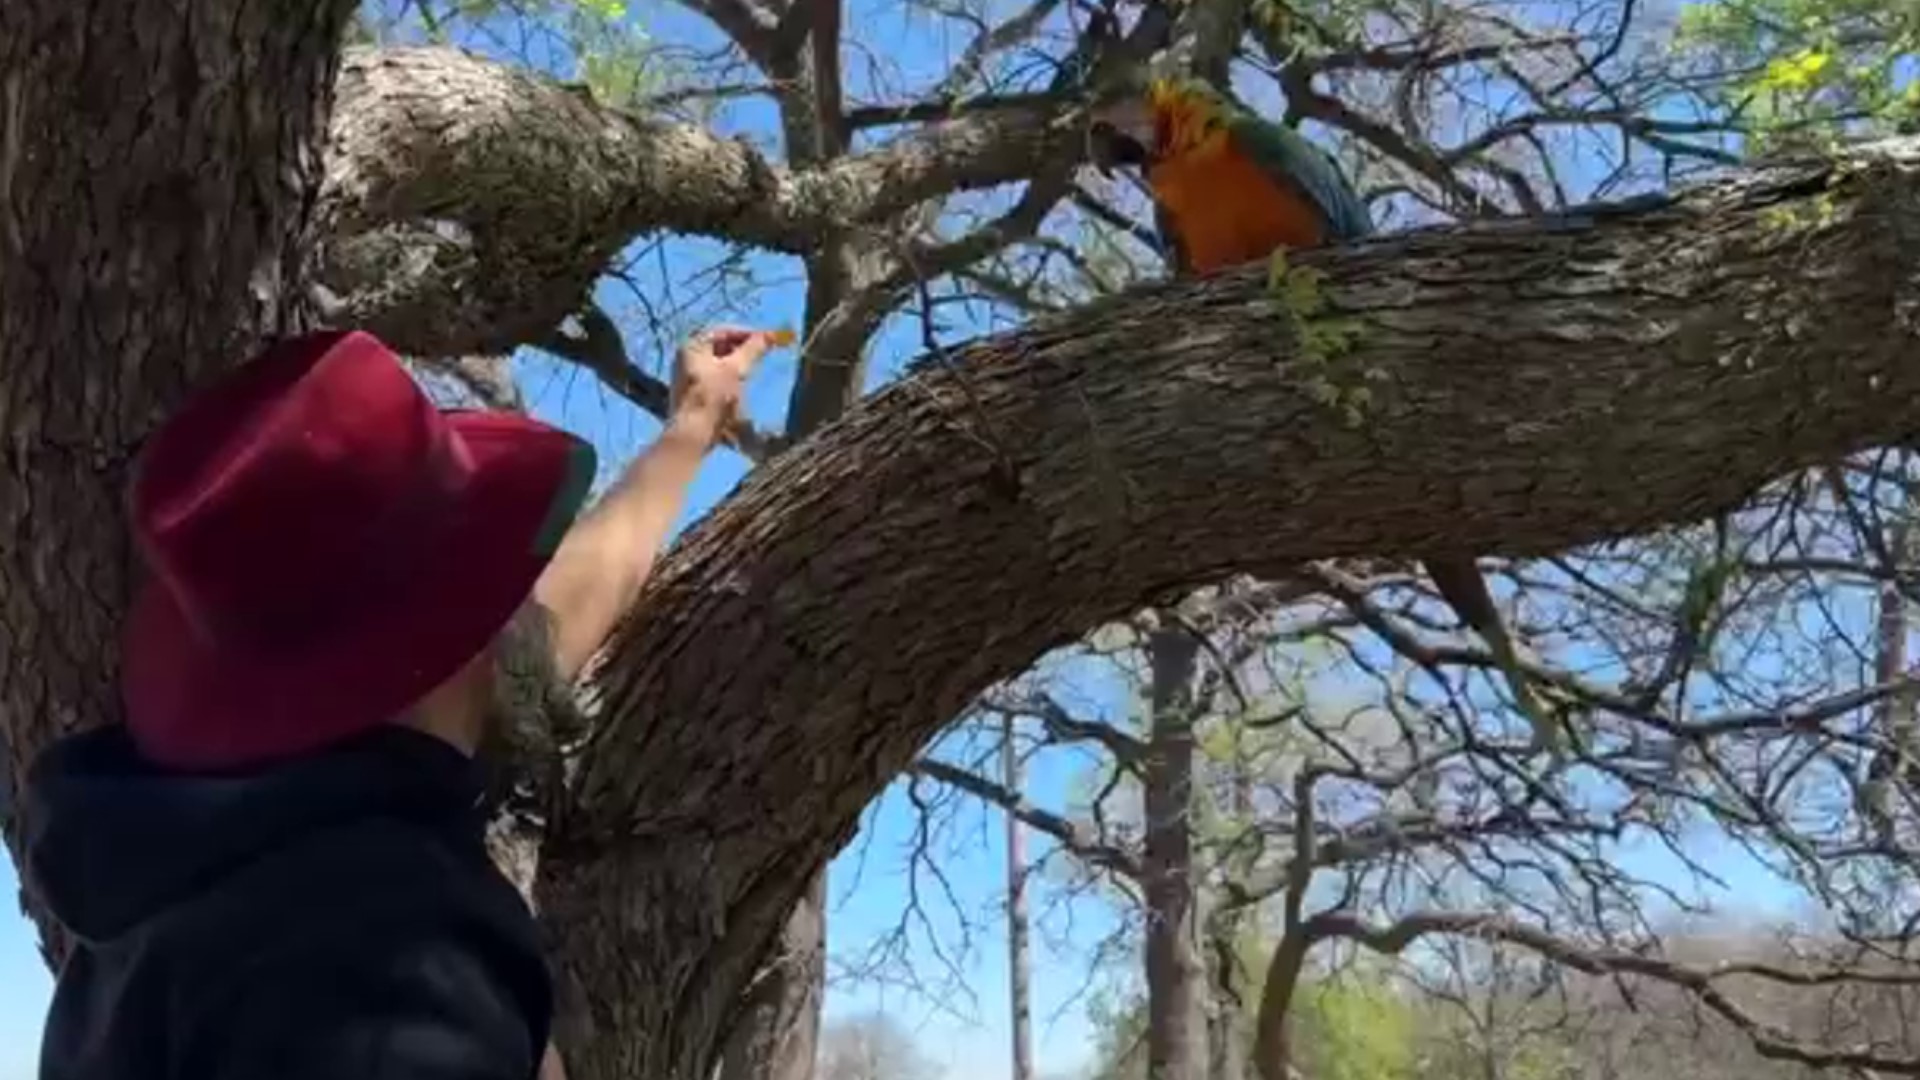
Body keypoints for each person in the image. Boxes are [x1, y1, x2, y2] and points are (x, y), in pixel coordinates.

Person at [20, 325, 776, 1080]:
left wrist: (691, 429)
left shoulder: (152, 908)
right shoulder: (385, 957)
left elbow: (539, 628)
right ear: (448, 641)